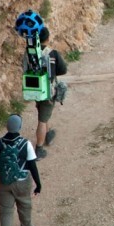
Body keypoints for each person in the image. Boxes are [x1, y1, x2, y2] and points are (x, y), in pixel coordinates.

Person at [0, 114, 42, 226]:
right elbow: (32, 165)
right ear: (19, 127)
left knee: (5, 213)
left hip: (3, 183)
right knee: (25, 204)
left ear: (7, 126)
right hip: (22, 182)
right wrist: (38, 184)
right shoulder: (26, 144)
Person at [33, 26, 67, 160]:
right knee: (42, 119)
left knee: (43, 113)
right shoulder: (52, 54)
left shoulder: (30, 53)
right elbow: (63, 70)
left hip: (34, 89)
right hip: (47, 90)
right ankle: (39, 148)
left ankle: (47, 135)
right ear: (48, 38)